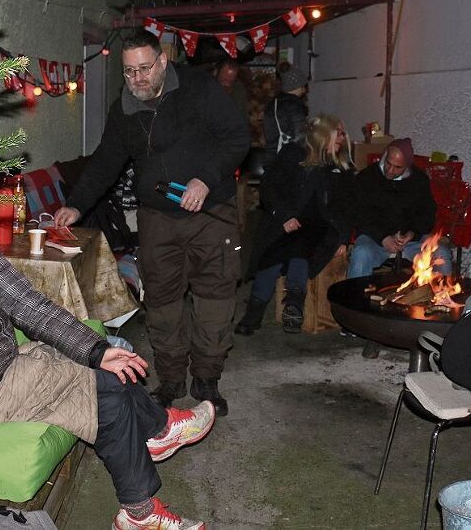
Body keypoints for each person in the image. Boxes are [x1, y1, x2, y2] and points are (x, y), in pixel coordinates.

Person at [0, 246, 216, 530]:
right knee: (107, 383)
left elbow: (25, 302)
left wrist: (98, 351)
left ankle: (140, 511)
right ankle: (158, 431)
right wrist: (98, 355)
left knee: (105, 385)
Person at [54, 28, 249, 417]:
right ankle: (172, 379)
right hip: (158, 218)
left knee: (214, 298)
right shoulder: (124, 108)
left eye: (145, 68)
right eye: (129, 72)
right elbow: (106, 161)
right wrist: (75, 205)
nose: (138, 78)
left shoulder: (199, 89)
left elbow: (238, 137)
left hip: (211, 212)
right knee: (161, 301)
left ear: (162, 61)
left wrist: (206, 178)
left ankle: (207, 379)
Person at [236, 114, 355, 334]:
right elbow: (269, 187)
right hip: (285, 222)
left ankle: (291, 304)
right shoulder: (293, 154)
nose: (342, 137)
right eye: (338, 132)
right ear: (323, 133)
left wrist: (343, 238)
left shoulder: (340, 168)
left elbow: (347, 207)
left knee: (299, 247)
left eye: (343, 133)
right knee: (272, 256)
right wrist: (283, 216)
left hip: (320, 228)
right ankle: (264, 311)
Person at [346, 137, 452, 279]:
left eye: (397, 167)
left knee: (441, 254)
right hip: (375, 238)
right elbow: (359, 214)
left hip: (411, 241)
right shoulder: (366, 178)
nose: (390, 170)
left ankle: (441, 298)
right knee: (361, 254)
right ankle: (355, 298)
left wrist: (412, 233)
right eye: (388, 163)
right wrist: (383, 237)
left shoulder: (419, 180)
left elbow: (428, 213)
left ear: (407, 166)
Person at [261, 65, 309, 168]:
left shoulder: (274, 104)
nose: (305, 90)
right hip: (288, 161)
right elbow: (300, 136)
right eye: (304, 86)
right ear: (298, 86)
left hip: (272, 159)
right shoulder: (294, 106)